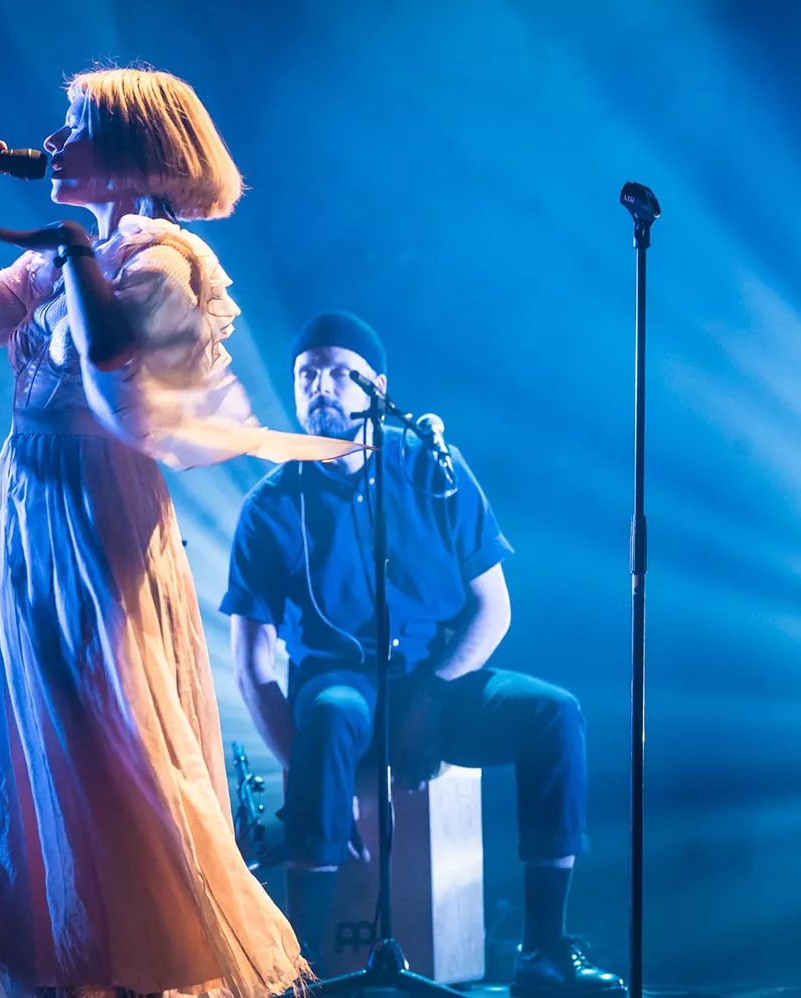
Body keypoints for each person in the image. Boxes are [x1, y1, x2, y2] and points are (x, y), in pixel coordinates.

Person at [0, 69, 358, 998]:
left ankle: (124, 967)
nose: (54, 141)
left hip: (95, 515)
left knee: (98, 747)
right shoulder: (54, 261)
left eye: (78, 126)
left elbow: (119, 382)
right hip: (21, 516)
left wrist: (73, 255)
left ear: (137, 154)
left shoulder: (163, 260)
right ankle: (37, 960)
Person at [221, 312, 625, 996]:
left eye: (339, 373)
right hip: (337, 685)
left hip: (437, 681)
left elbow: (494, 607)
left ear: (377, 387)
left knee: (554, 714)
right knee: (335, 713)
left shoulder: (433, 467)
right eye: (306, 374)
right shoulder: (271, 505)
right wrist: (310, 775)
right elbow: (252, 667)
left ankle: (544, 951)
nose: (320, 386)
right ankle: (299, 972)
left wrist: (430, 697)